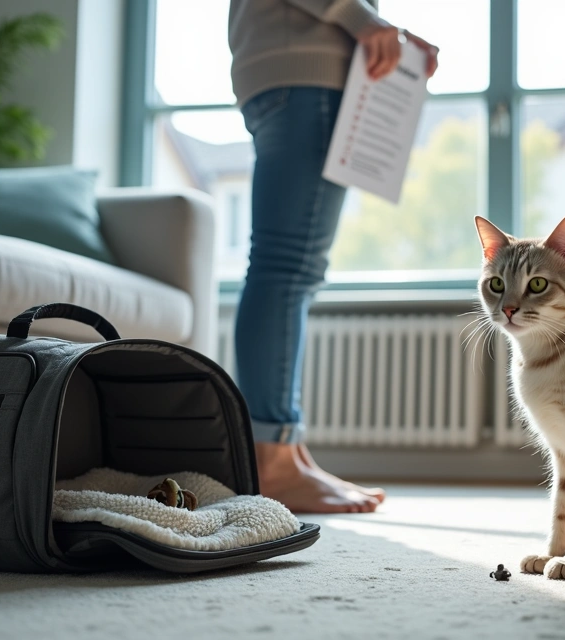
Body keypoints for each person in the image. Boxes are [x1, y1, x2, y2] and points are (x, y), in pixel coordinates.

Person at [227, 0, 439, 513]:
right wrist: (364, 19)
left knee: (293, 268)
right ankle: (271, 461)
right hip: (305, 70)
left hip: (293, 66)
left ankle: (289, 452)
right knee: (285, 264)